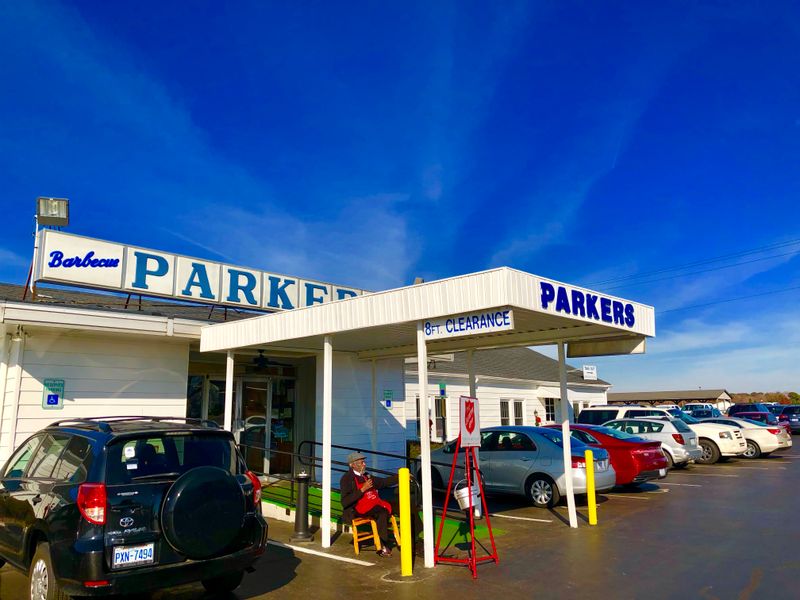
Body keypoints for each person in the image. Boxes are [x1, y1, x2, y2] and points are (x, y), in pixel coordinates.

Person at [340, 452, 398, 557]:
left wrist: (400, 477)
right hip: (358, 508)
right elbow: (345, 502)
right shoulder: (346, 479)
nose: (364, 464)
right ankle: (383, 545)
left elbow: (383, 482)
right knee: (382, 512)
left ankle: (413, 540)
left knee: (402, 507)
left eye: (364, 462)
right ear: (352, 465)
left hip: (373, 503)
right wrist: (362, 489)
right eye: (361, 462)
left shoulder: (367, 476)